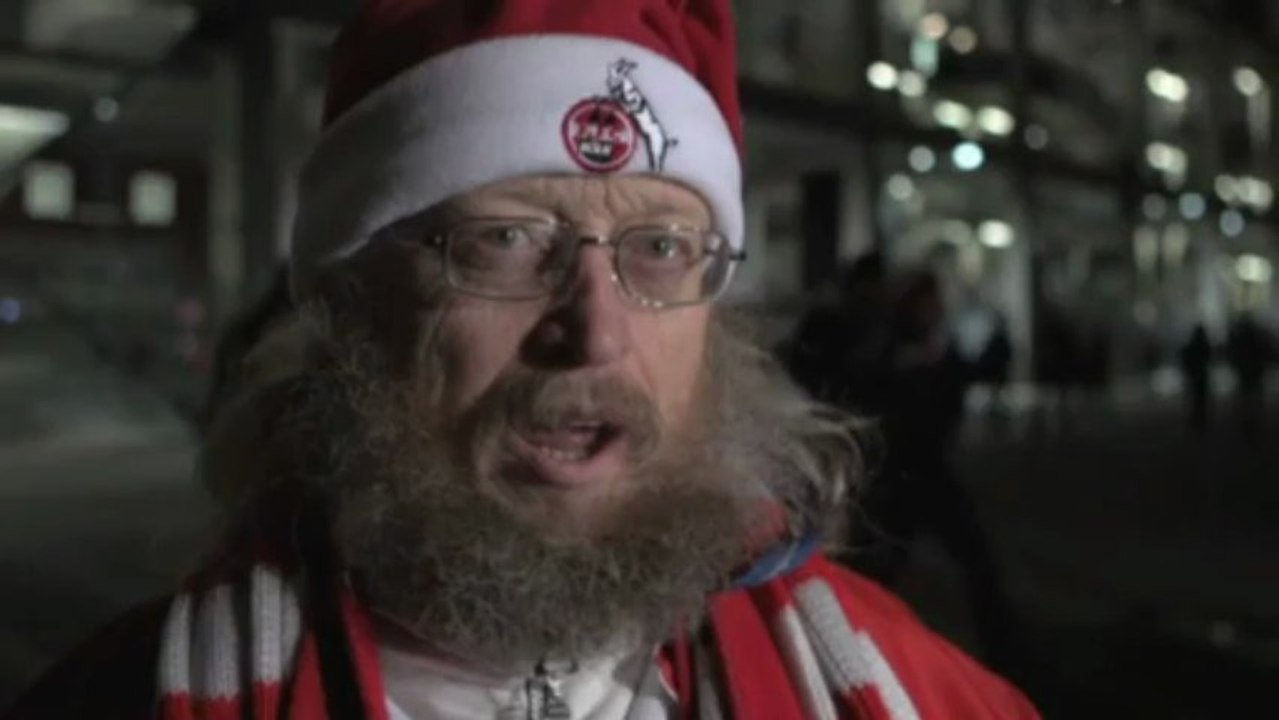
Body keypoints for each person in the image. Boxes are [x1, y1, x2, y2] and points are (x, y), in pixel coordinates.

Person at [6, 1, 1038, 718]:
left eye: (661, 250)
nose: (592, 332)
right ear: (352, 302)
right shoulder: (118, 700)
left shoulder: (927, 698)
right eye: (503, 242)